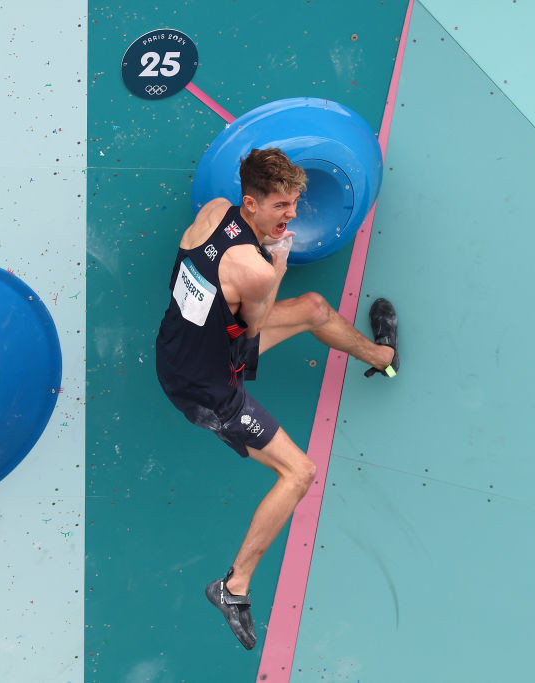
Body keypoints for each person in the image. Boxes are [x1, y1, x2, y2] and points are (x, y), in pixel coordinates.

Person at [155, 147, 399, 650]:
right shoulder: (255, 269)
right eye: (282, 207)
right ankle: (234, 587)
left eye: (294, 203)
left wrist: (264, 252)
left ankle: (380, 356)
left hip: (179, 346)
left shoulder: (214, 212)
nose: (292, 215)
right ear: (251, 201)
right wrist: (278, 262)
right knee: (299, 473)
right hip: (207, 389)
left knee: (312, 308)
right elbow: (257, 322)